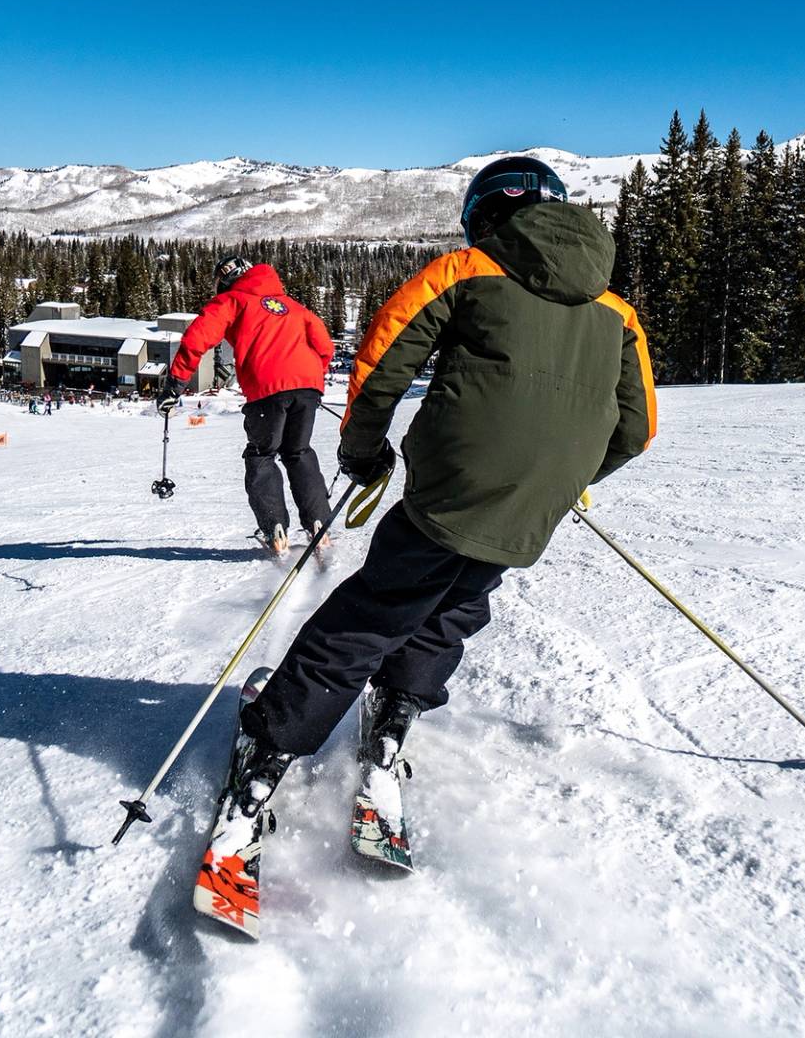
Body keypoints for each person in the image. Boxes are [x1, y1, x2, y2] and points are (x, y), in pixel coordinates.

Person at [208, 155, 657, 823]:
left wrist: (362, 448)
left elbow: (386, 356)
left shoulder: (468, 270)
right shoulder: (616, 310)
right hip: (535, 505)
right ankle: (393, 719)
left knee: (377, 610)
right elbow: (638, 427)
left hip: (452, 482)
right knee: (456, 602)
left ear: (482, 214)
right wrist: (563, 477)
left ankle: (270, 743)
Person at [160, 256, 336, 556]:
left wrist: (175, 383)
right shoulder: (291, 305)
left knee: (262, 454)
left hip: (266, 388)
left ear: (225, 280)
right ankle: (319, 523)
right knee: (298, 452)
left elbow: (197, 338)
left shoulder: (233, 300)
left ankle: (274, 527)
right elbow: (325, 346)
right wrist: (307, 378)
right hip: (307, 387)